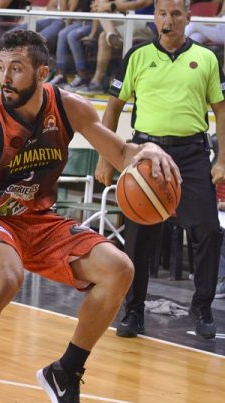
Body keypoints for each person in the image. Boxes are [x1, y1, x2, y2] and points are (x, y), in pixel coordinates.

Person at [0, 29, 180, 403]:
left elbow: (119, 153)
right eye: (0, 67)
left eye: (16, 68)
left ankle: (65, 371)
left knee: (119, 269)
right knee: (6, 279)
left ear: (42, 73)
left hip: (40, 217)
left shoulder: (68, 107)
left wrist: (149, 150)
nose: (5, 78)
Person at [94, 0, 225, 339]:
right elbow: (113, 108)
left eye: (176, 14)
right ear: (155, 17)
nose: (169, 20)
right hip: (146, 154)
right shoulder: (136, 56)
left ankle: (202, 307)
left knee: (208, 230)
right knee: (138, 238)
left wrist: (223, 159)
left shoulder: (207, 58)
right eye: (163, 13)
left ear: (188, 17)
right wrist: (105, 158)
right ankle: (133, 310)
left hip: (192, 154)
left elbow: (221, 111)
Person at [77, 0, 155, 96]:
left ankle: (112, 35)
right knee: (103, 35)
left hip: (147, 23)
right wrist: (103, 5)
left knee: (101, 10)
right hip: (132, 22)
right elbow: (123, 3)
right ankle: (97, 82)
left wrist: (111, 6)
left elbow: (141, 3)